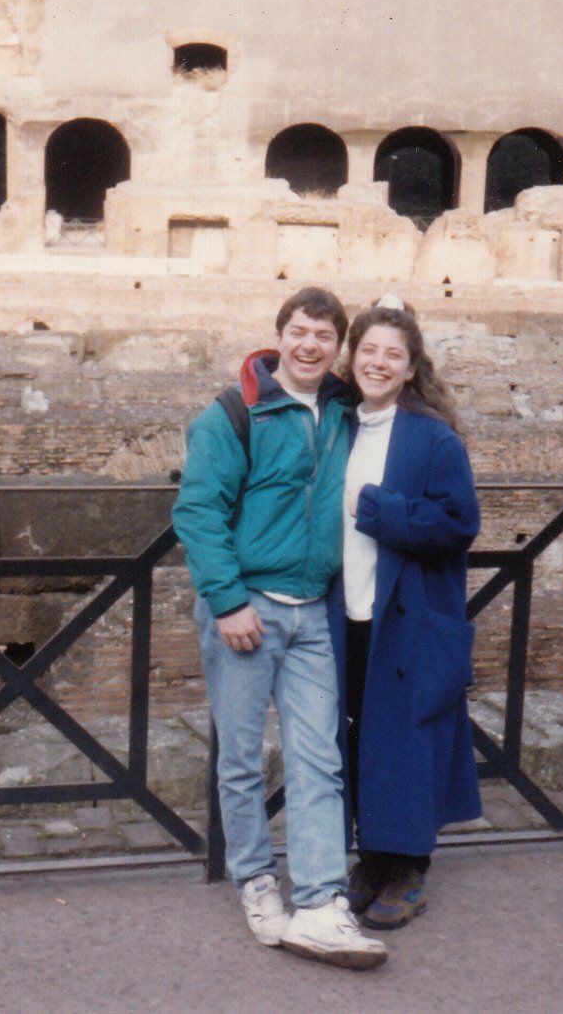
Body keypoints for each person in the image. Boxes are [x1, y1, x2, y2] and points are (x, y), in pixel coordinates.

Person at [172, 287, 388, 971]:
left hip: (312, 609)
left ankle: (323, 901)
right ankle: (257, 881)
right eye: (299, 331)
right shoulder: (232, 414)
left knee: (319, 755)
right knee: (240, 757)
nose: (309, 345)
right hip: (248, 607)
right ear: (279, 335)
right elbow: (198, 512)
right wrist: (228, 599)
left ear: (336, 347)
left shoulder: (344, 413)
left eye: (324, 336)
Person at [334, 295, 482, 931]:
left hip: (410, 611)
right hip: (346, 610)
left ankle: (410, 863)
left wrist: (377, 508)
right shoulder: (337, 422)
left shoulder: (432, 436)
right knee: (360, 733)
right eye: (368, 349)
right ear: (353, 356)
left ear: (411, 365)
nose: (378, 361)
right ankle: (372, 856)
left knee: (408, 736)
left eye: (392, 353)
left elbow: (458, 523)